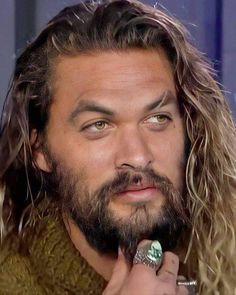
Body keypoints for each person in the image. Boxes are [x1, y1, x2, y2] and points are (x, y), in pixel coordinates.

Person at [0, 0, 235, 294]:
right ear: (40, 150)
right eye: (98, 125)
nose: (138, 155)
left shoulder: (222, 262)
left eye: (157, 118)